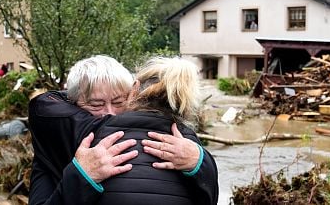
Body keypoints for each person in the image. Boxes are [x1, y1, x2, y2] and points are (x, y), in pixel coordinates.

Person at [28, 55, 218, 205]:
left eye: (119, 102)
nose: (109, 113)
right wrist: (82, 176)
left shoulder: (183, 144)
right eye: (96, 104)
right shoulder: (56, 136)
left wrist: (199, 161)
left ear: (133, 94)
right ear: (72, 104)